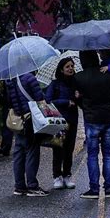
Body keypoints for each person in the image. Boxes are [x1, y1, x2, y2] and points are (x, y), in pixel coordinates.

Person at [74, 50, 110, 199]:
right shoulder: (108, 73)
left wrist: (84, 104)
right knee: (108, 154)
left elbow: (77, 97)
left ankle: (94, 189)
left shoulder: (79, 77)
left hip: (92, 118)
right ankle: (108, 189)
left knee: (92, 154)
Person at [5, 72, 49, 197]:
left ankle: (19, 186)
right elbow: (40, 99)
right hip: (30, 119)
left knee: (19, 152)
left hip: (18, 120)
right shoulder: (30, 78)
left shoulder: (11, 80)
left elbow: (9, 101)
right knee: (32, 150)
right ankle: (32, 186)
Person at [45, 57, 80, 190]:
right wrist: (66, 102)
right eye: (67, 66)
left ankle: (67, 175)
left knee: (69, 149)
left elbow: (80, 103)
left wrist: (78, 96)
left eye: (72, 66)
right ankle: (57, 176)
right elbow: (48, 101)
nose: (70, 68)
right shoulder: (55, 84)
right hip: (59, 121)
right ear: (61, 69)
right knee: (58, 148)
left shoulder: (76, 84)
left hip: (72, 120)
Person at [0, 81, 13, 156]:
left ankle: (6, 147)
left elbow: (8, 98)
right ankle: (5, 146)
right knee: (8, 127)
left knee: (7, 127)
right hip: (11, 106)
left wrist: (0, 96)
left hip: (9, 106)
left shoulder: (9, 82)